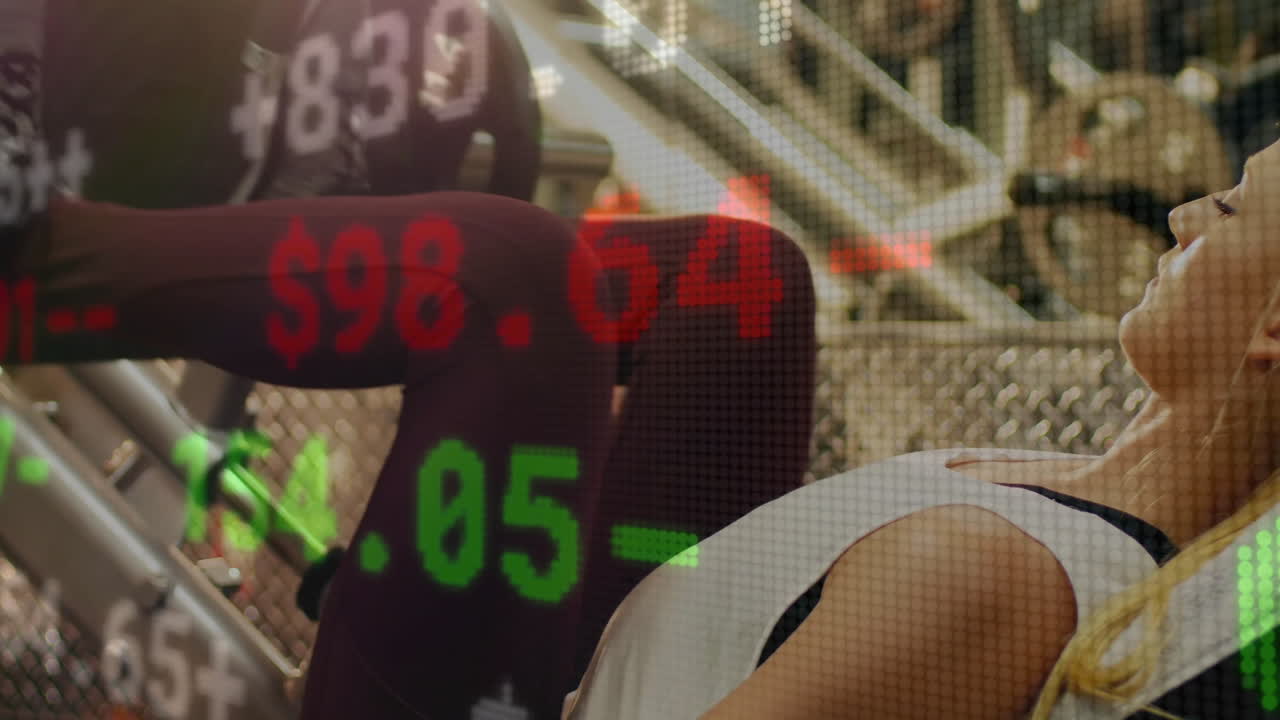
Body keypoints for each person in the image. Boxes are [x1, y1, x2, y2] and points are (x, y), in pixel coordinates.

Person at [1, 2, 818, 717]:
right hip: (23, 229)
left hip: (156, 195)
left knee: (739, 278)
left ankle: (621, 692)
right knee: (514, 282)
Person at [564, 140, 1280, 719]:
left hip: (549, 682)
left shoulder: (986, 573)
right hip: (619, 627)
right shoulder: (1024, 508)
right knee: (744, 272)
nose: (1183, 217)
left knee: (679, 265)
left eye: (1228, 207)